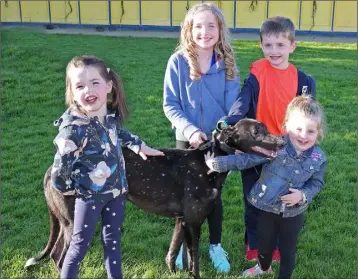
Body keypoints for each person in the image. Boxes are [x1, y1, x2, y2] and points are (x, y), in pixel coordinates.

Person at [51, 55, 164, 279]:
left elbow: (120, 134)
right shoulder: (74, 130)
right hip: (90, 198)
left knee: (112, 240)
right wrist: (70, 189)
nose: (88, 90)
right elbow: (59, 171)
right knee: (78, 246)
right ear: (72, 92)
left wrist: (139, 145)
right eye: (80, 86)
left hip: (117, 193)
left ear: (108, 86)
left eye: (95, 83)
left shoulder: (108, 118)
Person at [217, 16, 316, 261]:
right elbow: (242, 102)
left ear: (292, 46)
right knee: (254, 199)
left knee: (282, 198)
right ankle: (255, 245)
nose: (274, 51)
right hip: (256, 148)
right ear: (261, 45)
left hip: (286, 150)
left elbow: (308, 117)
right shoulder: (257, 73)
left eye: (281, 45)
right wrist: (228, 122)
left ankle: (278, 245)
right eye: (268, 45)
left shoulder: (304, 82)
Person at [207, 95, 327, 278]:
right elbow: (246, 159)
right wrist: (216, 164)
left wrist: (303, 195)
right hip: (266, 207)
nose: (303, 136)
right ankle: (263, 268)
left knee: (287, 251)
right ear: (286, 126)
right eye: (298, 129)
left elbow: (317, 183)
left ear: (319, 132)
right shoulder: (274, 146)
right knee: (264, 244)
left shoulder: (319, 158)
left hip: (293, 213)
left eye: (311, 131)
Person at [163, 2, 240, 273]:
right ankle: (184, 246)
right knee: (185, 197)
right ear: (189, 29)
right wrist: (191, 131)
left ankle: (215, 245)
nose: (204, 32)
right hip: (188, 141)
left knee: (212, 196)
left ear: (220, 30)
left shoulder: (228, 63)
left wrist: (219, 132)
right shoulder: (178, 62)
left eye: (211, 26)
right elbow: (170, 104)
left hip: (219, 143)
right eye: (198, 26)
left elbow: (233, 107)